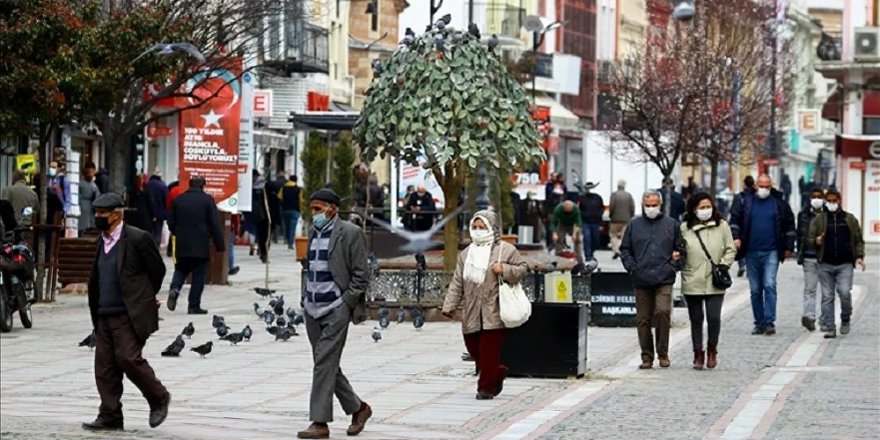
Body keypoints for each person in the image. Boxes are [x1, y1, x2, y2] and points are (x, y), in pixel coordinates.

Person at [83, 193, 169, 432]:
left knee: (128, 358)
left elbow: (157, 271)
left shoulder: (138, 238)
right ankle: (110, 415)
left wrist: (145, 298)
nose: (98, 217)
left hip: (128, 314)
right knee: (104, 368)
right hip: (104, 314)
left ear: (116, 214)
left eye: (102, 213)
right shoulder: (101, 241)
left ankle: (159, 397)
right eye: (96, 212)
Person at [297, 188, 372, 439]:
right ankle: (358, 408)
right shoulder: (313, 232)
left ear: (332, 209)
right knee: (326, 364)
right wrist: (305, 297)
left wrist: (346, 303)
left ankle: (320, 423)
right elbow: (309, 268)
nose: (314, 214)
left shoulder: (350, 233)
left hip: (335, 309)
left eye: (318, 209)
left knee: (323, 363)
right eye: (312, 209)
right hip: (312, 308)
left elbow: (362, 273)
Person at [442, 210, 527, 399]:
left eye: (482, 227)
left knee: (487, 350)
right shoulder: (466, 254)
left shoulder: (505, 250)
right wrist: (449, 305)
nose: (478, 231)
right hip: (472, 310)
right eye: (475, 227)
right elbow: (457, 281)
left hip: (496, 309)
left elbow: (522, 269)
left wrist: (503, 269)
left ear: (492, 228)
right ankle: (496, 372)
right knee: (473, 347)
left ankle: (486, 388)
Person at [620, 190, 682, 369]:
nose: (651, 208)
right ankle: (647, 356)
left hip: (664, 277)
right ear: (642, 205)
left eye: (654, 205)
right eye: (648, 205)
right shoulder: (634, 225)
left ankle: (663, 352)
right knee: (643, 319)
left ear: (660, 205)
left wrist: (673, 266)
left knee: (663, 312)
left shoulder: (671, 224)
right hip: (641, 278)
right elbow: (625, 249)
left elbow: (681, 249)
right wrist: (632, 267)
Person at [729, 174, 796, 336]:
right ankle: (759, 323)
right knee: (755, 289)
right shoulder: (746, 201)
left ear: (771, 186)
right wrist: (736, 237)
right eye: (761, 185)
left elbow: (789, 224)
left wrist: (788, 247)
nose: (764, 189)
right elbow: (735, 220)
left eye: (767, 186)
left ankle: (769, 321)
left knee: (769, 284)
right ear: (756, 186)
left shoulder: (778, 203)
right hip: (751, 251)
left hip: (772, 251)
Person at [680, 193, 736, 370]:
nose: (706, 210)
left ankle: (712, 349)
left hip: (714, 279)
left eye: (708, 206)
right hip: (692, 278)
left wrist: (723, 266)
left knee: (713, 317)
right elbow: (679, 250)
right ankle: (698, 353)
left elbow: (730, 248)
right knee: (696, 318)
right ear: (694, 209)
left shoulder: (722, 226)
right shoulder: (684, 228)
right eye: (701, 207)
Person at [808, 189, 866, 339]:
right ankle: (830, 327)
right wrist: (816, 241)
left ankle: (845, 317)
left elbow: (858, 239)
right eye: (829, 201)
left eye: (834, 201)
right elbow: (810, 238)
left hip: (845, 263)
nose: (832, 204)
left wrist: (859, 256)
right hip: (825, 264)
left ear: (839, 201)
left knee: (845, 292)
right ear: (826, 201)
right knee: (827, 296)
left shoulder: (849, 219)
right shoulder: (820, 219)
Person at [166, 176, 225, 315]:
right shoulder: (207, 201)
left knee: (180, 269)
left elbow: (170, 221)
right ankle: (193, 306)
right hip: (200, 244)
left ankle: (175, 289)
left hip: (182, 243)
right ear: (203, 186)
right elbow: (215, 223)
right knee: (198, 275)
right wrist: (219, 245)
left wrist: (177, 232)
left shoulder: (179, 200)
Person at [796, 187, 826, 331]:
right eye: (814, 196)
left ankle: (826, 318)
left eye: (819, 196)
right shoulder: (803, 214)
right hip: (808, 256)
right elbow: (799, 234)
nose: (816, 199)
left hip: (826, 257)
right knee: (810, 288)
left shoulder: (829, 214)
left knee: (827, 290)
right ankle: (809, 316)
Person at [731, 175, 756, 278]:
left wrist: (734, 232)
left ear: (744, 184)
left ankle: (742, 265)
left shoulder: (739, 197)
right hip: (754, 228)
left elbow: (734, 214)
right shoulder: (757, 197)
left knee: (741, 247)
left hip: (742, 227)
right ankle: (750, 267)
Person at [550, 200, 585, 267]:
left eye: (570, 210)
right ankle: (558, 259)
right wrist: (554, 233)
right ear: (564, 208)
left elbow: (578, 223)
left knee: (577, 240)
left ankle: (579, 261)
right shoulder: (558, 209)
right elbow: (554, 222)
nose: (568, 211)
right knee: (559, 240)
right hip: (562, 224)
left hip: (573, 225)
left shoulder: (576, 209)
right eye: (567, 210)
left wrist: (574, 234)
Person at [608, 180, 635, 259]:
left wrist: (611, 215)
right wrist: (631, 216)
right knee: (624, 236)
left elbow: (612, 206)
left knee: (613, 235)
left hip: (615, 220)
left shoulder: (614, 195)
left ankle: (616, 250)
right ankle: (622, 250)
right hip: (626, 220)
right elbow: (632, 207)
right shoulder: (629, 195)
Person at [578, 181, 603, 261]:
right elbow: (579, 209)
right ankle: (588, 256)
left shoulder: (598, 198)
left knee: (595, 239)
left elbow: (601, 209)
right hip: (586, 222)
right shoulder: (582, 198)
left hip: (596, 222)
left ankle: (591, 252)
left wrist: (601, 222)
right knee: (587, 238)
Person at [145, 168, 169, 246]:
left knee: (149, 231)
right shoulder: (163, 185)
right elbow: (166, 199)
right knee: (158, 232)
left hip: (148, 213)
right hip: (160, 213)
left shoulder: (148, 185)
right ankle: (155, 249)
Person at [279, 175, 302, 250]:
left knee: (287, 226)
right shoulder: (298, 189)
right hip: (295, 210)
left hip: (285, 209)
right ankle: (290, 244)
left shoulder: (283, 188)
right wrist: (301, 210)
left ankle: (286, 240)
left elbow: (279, 197)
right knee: (292, 227)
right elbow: (300, 200)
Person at [79, 163, 100, 234]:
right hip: (83, 206)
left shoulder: (94, 185)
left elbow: (97, 196)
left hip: (91, 207)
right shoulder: (81, 184)